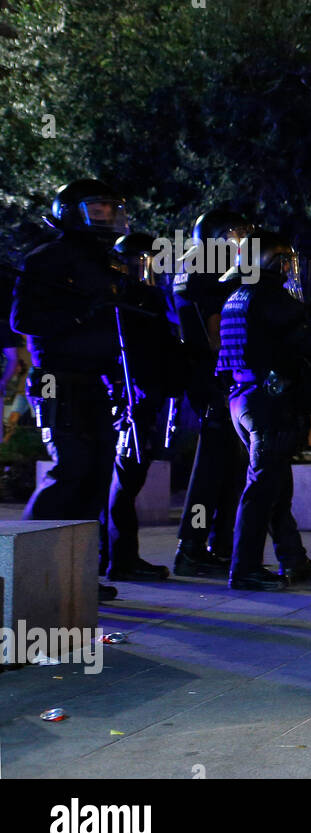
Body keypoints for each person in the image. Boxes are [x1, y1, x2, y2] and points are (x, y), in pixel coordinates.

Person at [11, 179, 133, 602]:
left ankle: (77, 575)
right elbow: (23, 320)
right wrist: (80, 316)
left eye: (111, 207)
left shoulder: (109, 262)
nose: (107, 214)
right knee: (71, 472)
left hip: (96, 382)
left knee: (97, 478)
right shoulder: (47, 258)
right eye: (97, 207)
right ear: (73, 211)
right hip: (56, 379)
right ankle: (20, 572)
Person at [216, 231, 311, 590]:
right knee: (261, 490)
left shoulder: (238, 296)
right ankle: (244, 569)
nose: (288, 267)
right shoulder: (270, 297)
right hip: (268, 404)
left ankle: (293, 559)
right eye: (281, 260)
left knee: (275, 489)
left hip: (243, 400)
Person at [172, 209, 253, 577]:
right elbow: (215, 329)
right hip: (214, 376)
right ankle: (192, 547)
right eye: (235, 233)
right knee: (212, 466)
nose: (244, 240)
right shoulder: (204, 272)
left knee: (230, 465)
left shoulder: (199, 269)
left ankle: (220, 545)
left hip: (215, 374)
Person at [103, 232, 186, 583]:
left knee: (127, 481)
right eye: (146, 260)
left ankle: (117, 556)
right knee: (125, 481)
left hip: (147, 395)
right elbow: (121, 351)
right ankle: (121, 559)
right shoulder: (125, 297)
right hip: (132, 400)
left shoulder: (149, 297)